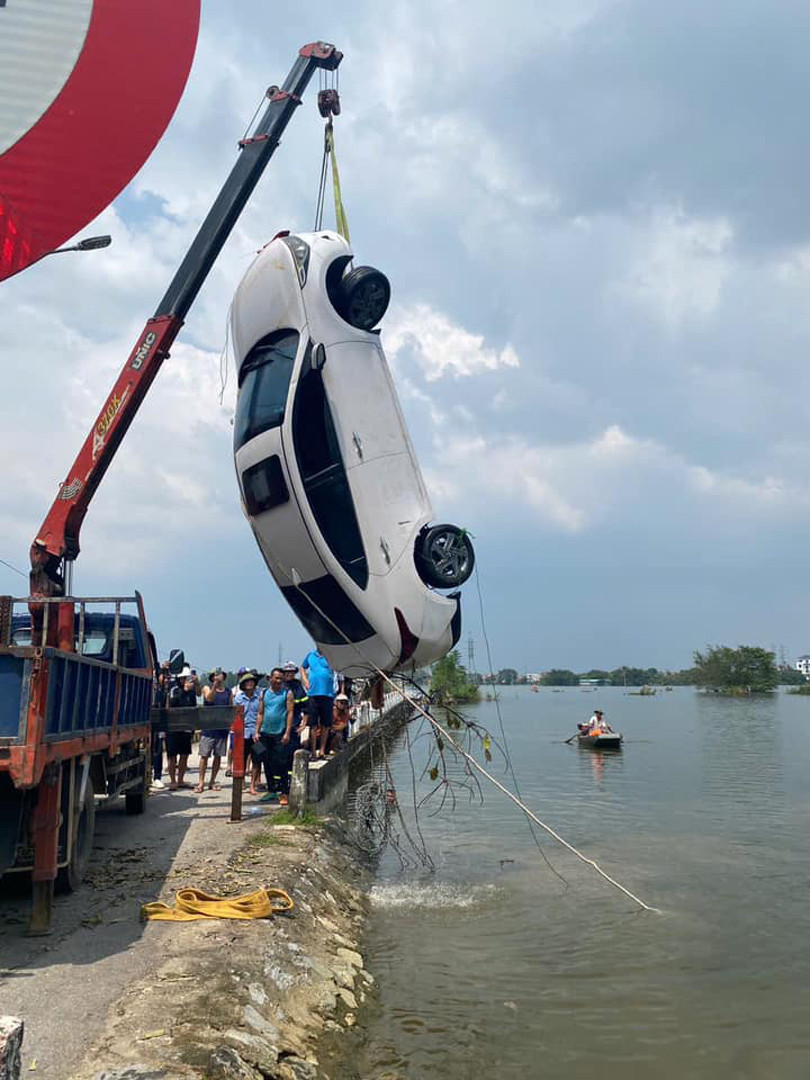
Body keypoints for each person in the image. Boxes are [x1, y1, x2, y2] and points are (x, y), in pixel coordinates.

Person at [256, 667, 294, 805]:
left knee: (282, 763)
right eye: (276, 678)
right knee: (267, 761)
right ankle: (271, 790)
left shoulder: (287, 693)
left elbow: (290, 713)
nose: (278, 681)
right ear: (270, 678)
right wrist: (256, 731)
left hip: (280, 733)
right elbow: (260, 713)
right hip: (265, 733)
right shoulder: (264, 693)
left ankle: (284, 792)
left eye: (281, 679)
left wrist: (287, 732)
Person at [197, 668, 232, 793]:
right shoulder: (207, 688)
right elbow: (209, 699)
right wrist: (214, 686)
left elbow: (230, 707)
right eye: (215, 675)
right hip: (208, 728)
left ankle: (212, 781)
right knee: (204, 756)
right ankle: (201, 782)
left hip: (222, 729)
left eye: (220, 675)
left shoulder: (228, 692)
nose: (218, 676)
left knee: (218, 757)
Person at [167, 667, 199, 790]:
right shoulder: (174, 689)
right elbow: (173, 704)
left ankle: (180, 780)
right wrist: (184, 691)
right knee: (172, 755)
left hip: (186, 727)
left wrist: (193, 726)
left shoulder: (192, 692)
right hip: (173, 727)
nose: (185, 680)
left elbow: (193, 707)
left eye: (187, 678)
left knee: (184, 755)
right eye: (183, 678)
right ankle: (173, 781)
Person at [301, 647, 335, 759]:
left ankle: (322, 751)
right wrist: (305, 680)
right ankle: (313, 752)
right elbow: (302, 667)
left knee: (326, 724)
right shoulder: (311, 655)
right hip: (313, 694)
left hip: (328, 694)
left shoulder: (330, 655)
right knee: (313, 724)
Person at [233, 670, 263, 796]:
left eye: (252, 682)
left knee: (257, 759)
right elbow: (234, 716)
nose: (250, 684)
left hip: (257, 734)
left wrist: (258, 731)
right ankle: (242, 783)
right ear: (243, 685)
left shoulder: (260, 697)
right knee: (242, 759)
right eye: (247, 682)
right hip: (242, 734)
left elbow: (261, 714)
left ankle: (252, 785)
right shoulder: (238, 698)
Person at [150, 661, 171, 789]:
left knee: (158, 750)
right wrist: (160, 668)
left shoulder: (164, 691)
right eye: (165, 676)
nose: (167, 679)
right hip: (146, 722)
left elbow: (167, 708)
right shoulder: (151, 686)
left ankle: (157, 777)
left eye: (168, 677)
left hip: (159, 723)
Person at [226, 666, 248, 777]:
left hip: (248, 723)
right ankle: (229, 766)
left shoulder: (253, 689)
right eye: (242, 675)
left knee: (247, 748)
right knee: (232, 746)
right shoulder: (234, 690)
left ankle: (246, 768)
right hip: (236, 722)